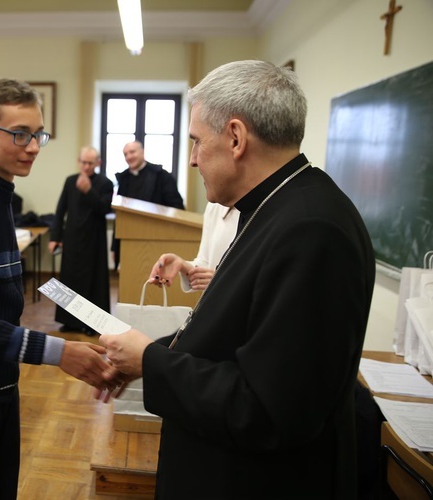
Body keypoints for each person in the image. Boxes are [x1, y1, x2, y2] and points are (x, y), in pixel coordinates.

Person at [99, 60, 375, 498]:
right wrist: (151, 352)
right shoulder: (279, 207)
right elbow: (236, 329)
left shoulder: (311, 230)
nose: (191, 159)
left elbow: (268, 408)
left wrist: (151, 362)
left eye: (195, 142)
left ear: (235, 137)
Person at [0, 78, 119, 499]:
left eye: (38, 134)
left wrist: (99, 322)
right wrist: (59, 352)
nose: (33, 146)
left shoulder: (1, 196)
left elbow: (5, 287)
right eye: (21, 134)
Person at [48, 146, 113, 335]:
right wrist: (55, 237)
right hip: (72, 239)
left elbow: (105, 209)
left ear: (97, 163)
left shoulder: (105, 183)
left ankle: (92, 324)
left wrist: (89, 191)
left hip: (94, 241)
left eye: (90, 163)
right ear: (79, 161)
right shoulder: (70, 181)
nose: (86, 166)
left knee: (93, 282)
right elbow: (60, 211)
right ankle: (70, 321)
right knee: (69, 281)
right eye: (83, 162)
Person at [112, 141, 185, 268]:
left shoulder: (161, 175)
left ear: (142, 152)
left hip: (157, 239)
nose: (129, 156)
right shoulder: (124, 179)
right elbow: (120, 215)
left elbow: (176, 207)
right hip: (129, 239)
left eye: (132, 152)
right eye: (125, 154)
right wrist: (115, 246)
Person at [154, 202, 238, 292]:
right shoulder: (215, 205)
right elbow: (206, 263)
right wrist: (183, 265)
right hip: (215, 302)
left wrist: (224, 282)